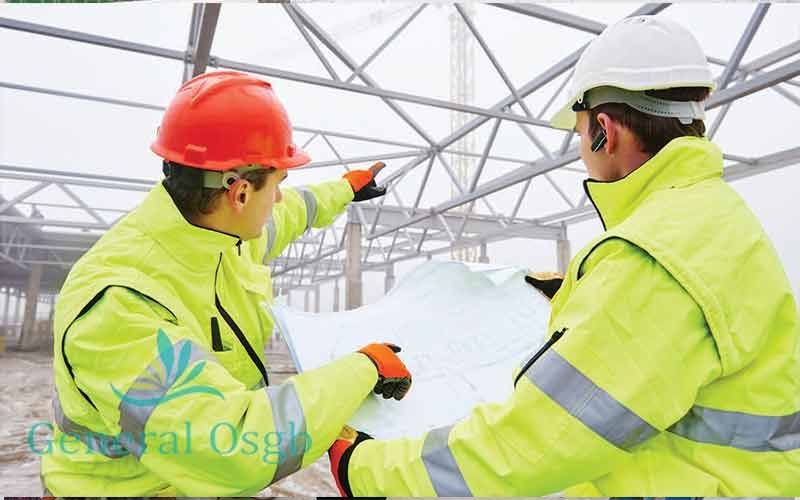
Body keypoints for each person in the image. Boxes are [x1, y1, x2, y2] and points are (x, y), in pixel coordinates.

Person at [327, 15, 800, 497]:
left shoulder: (654, 258)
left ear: (604, 131)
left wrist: (365, 471)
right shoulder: (714, 218)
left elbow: (530, 444)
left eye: (578, 132)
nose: (580, 148)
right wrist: (591, 298)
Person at [40, 70, 412, 497]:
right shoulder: (119, 305)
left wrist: (343, 190)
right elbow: (233, 448)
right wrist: (362, 368)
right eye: (277, 185)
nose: (279, 199)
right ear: (240, 194)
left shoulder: (224, 238)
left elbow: (294, 211)